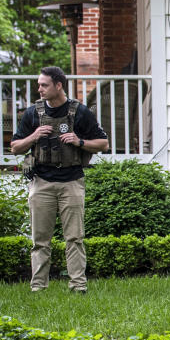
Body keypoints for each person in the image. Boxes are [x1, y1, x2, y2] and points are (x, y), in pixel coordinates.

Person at [10, 66, 108, 294]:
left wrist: (79, 141)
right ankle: (38, 287)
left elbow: (103, 143)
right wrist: (34, 135)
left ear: (58, 85)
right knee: (40, 240)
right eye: (39, 84)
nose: (40, 89)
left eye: (44, 85)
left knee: (74, 238)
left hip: (72, 182)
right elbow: (15, 147)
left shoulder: (79, 112)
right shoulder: (33, 113)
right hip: (41, 182)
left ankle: (78, 286)